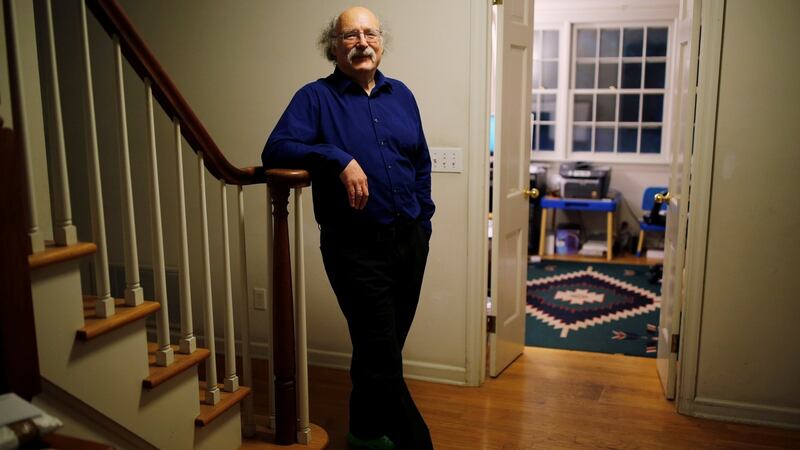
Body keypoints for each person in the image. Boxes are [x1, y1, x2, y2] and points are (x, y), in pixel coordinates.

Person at [261, 6, 435, 450]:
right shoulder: (314, 98)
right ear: (334, 46)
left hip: (409, 241)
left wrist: (424, 219)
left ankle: (363, 433)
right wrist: (338, 159)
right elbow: (276, 149)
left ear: (381, 42)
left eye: (370, 33)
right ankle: (417, 443)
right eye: (350, 35)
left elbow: (420, 162)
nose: (362, 41)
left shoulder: (403, 96)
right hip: (354, 247)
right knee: (382, 353)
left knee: (382, 349)